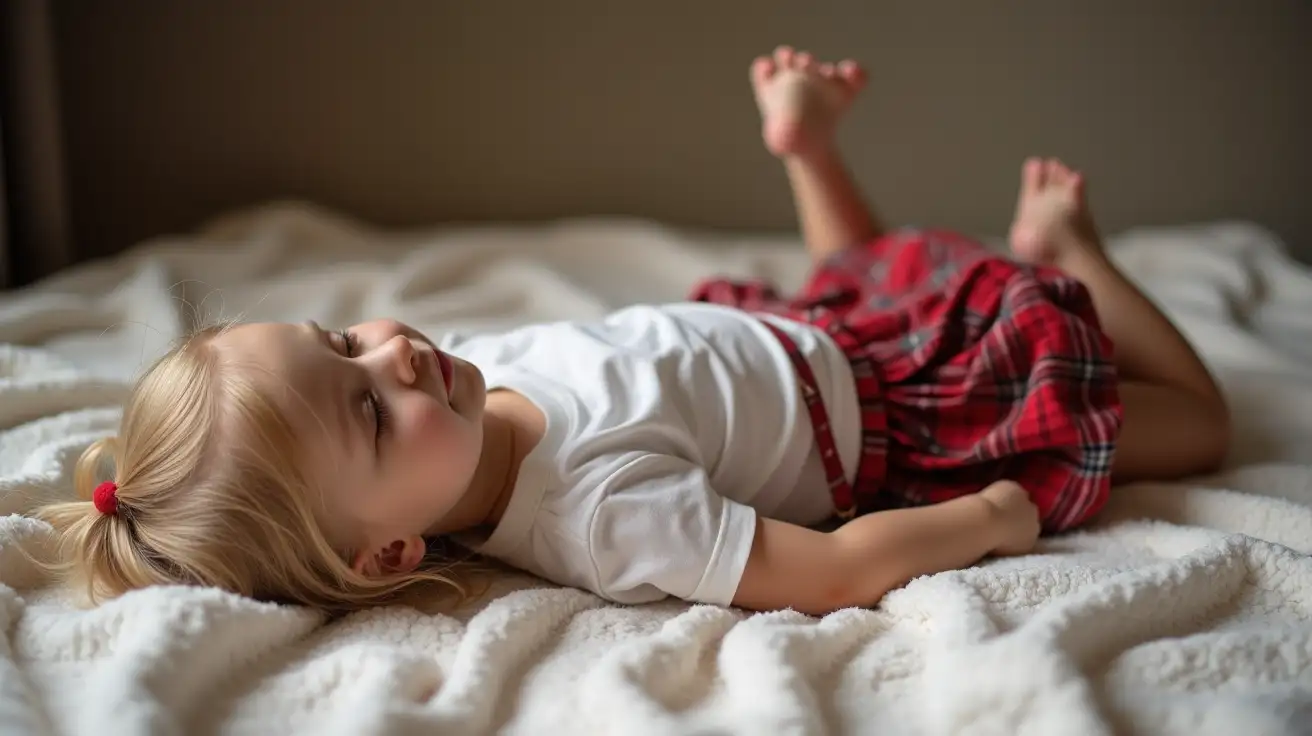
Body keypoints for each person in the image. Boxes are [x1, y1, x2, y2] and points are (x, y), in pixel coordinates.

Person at [34, 48, 1229, 617]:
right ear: (389, 554)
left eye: (340, 341)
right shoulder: (597, 515)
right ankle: (1075, 258)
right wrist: (985, 516)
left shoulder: (469, 398)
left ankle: (807, 152)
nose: (390, 351)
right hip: (886, 415)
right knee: (1194, 424)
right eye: (363, 404)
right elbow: (812, 572)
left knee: (853, 277)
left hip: (815, 337)